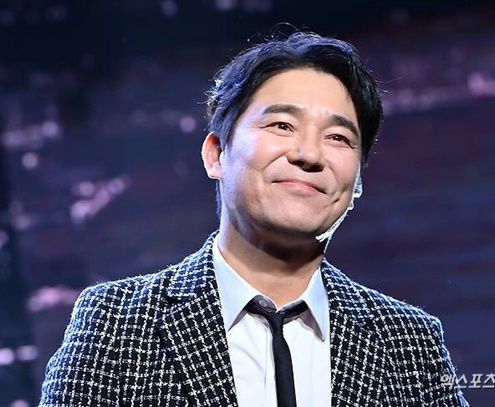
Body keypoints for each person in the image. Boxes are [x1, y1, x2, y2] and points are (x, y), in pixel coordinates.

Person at [40, 32, 469, 407]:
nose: (309, 154)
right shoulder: (117, 325)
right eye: (282, 125)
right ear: (216, 154)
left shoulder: (409, 343)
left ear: (356, 182)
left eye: (338, 137)